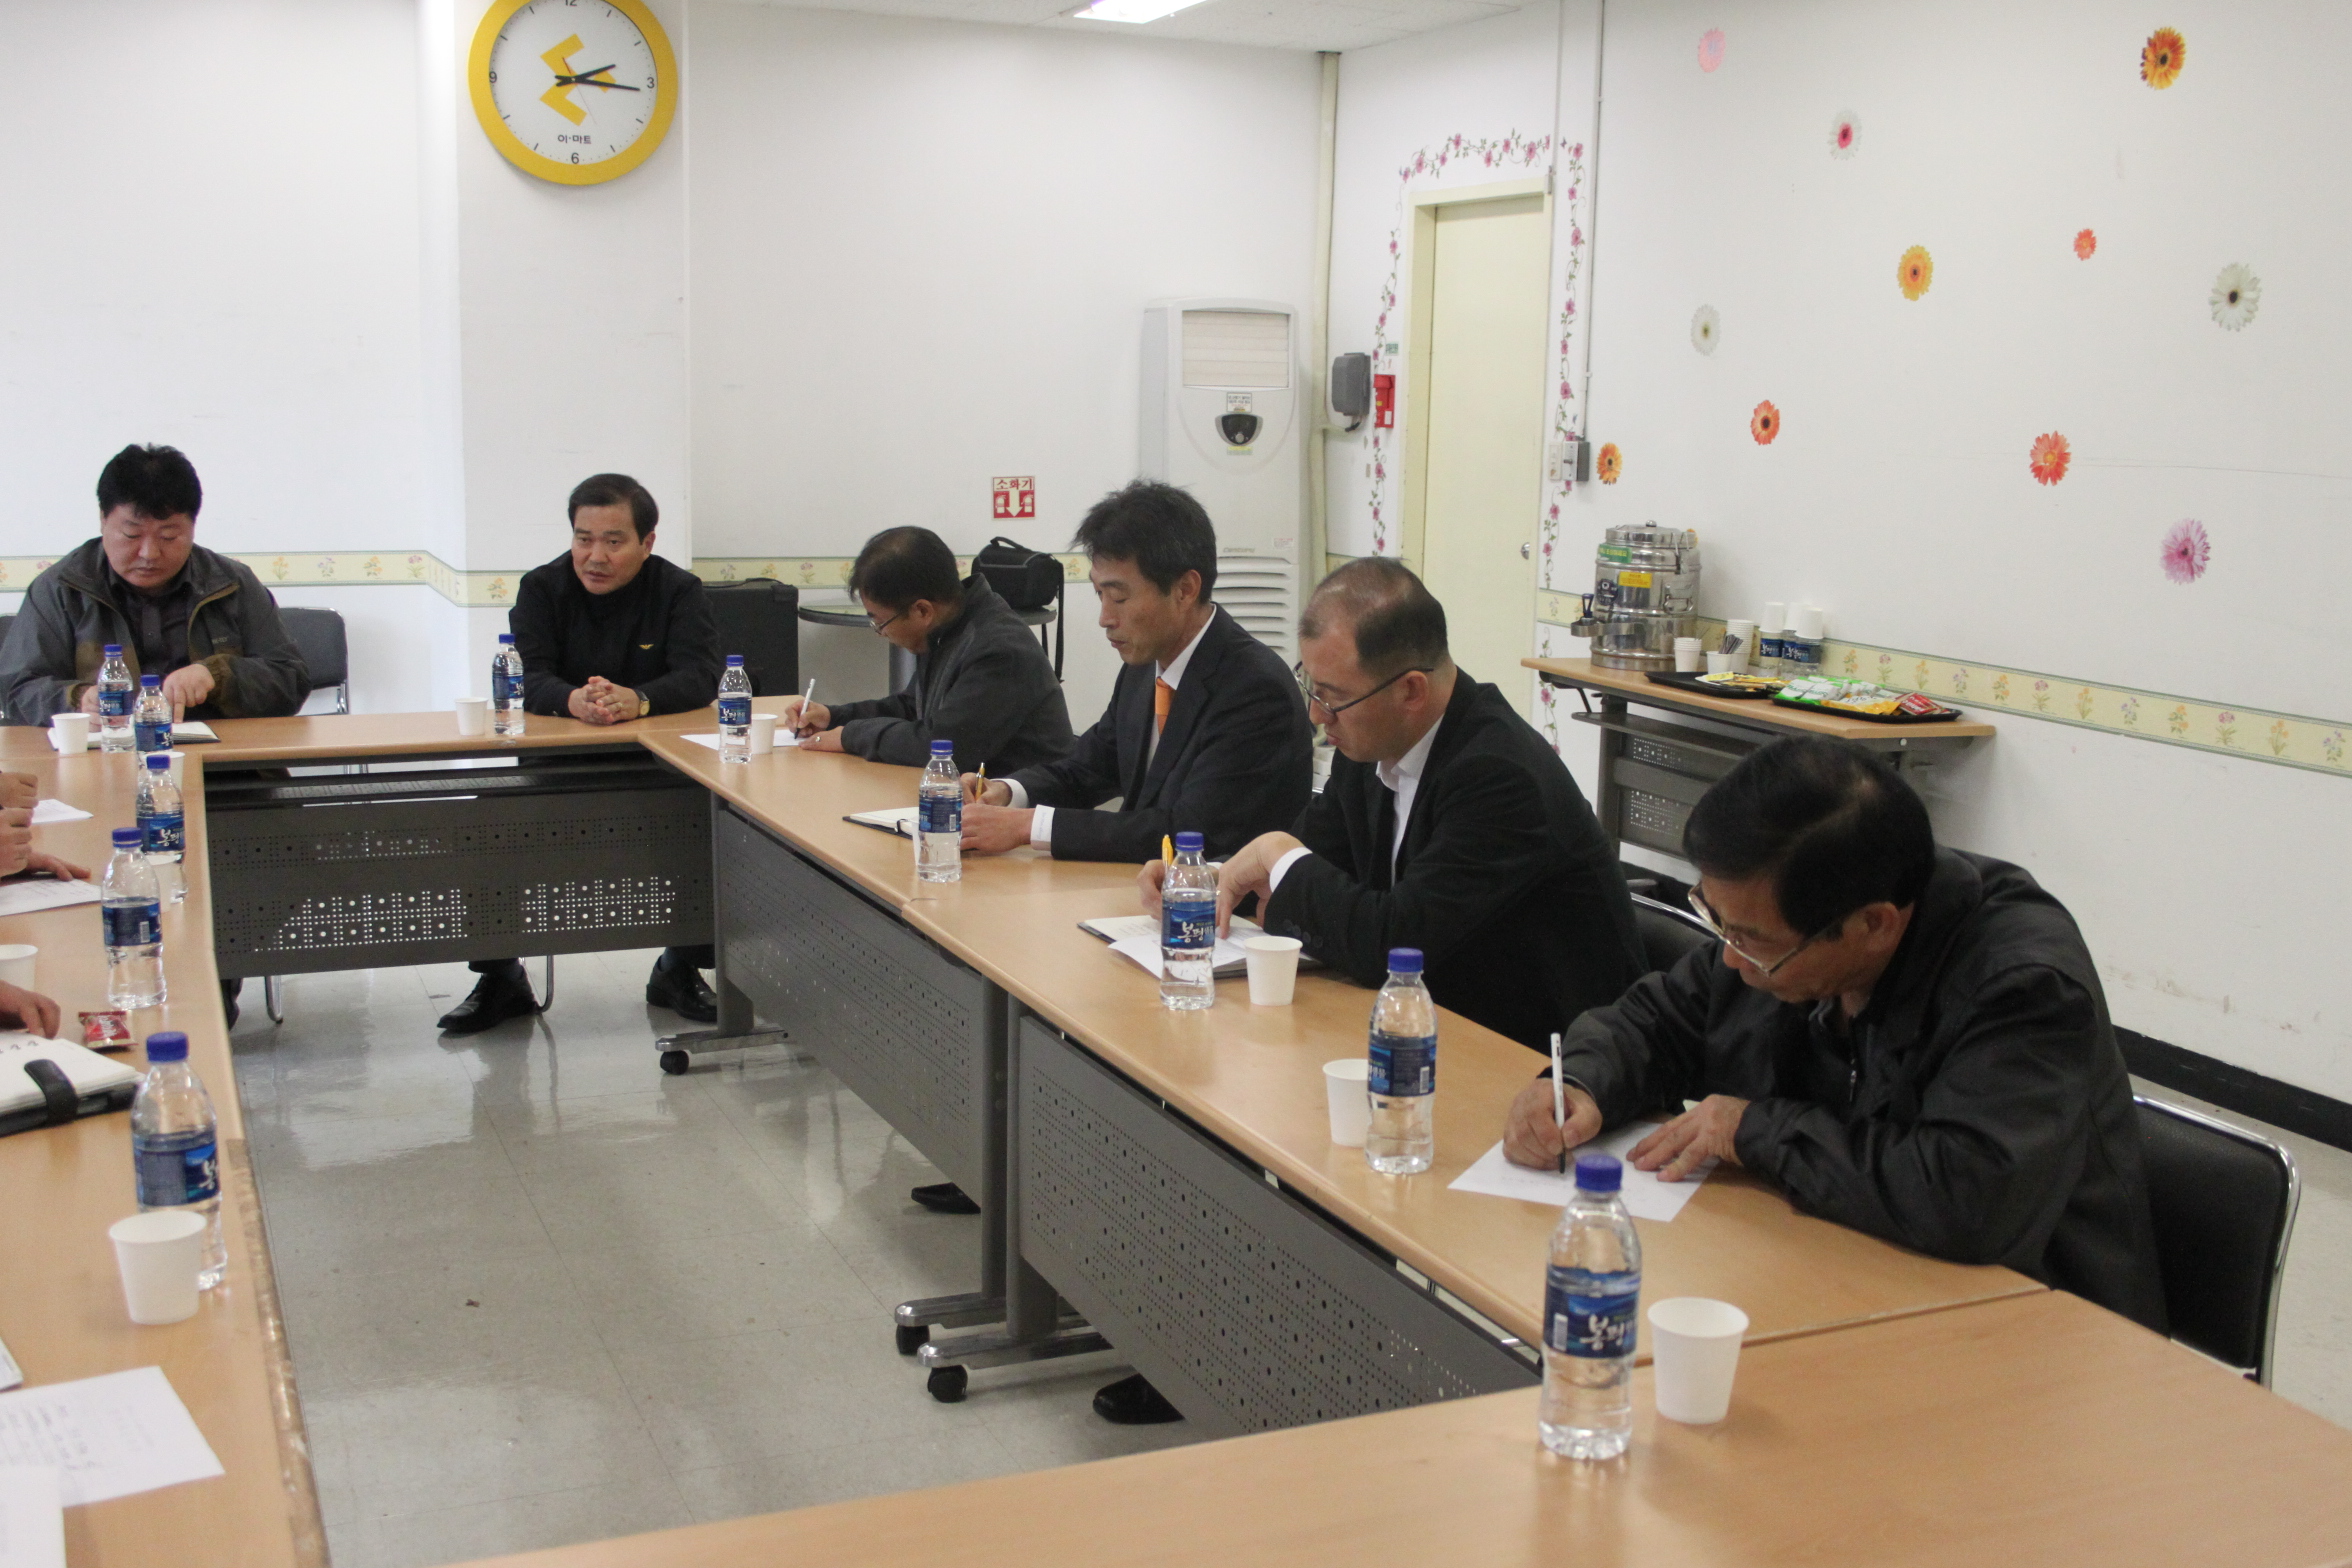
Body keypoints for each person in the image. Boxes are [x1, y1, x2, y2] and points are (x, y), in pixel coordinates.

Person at [1502, 736, 2167, 1332]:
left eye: (1750, 939)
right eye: (1717, 922)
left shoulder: (2021, 985)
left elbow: (1968, 1196)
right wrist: (1580, 1081)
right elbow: (1662, 1019)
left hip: (2037, 1325)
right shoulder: (1782, 924)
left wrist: (1752, 1130)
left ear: (1874, 925)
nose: (1730, 958)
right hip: (1843, 1270)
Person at [1166, 558, 1644, 1052]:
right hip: (1423, 1028)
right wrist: (1207, 884)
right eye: (1311, 686)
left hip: (1537, 1058)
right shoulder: (1368, 740)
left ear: (1411, 690)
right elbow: (1315, 876)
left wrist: (1277, 855)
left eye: (1332, 697)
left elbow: (1392, 945)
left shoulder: (1499, 777)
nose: (1316, 715)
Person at [434, 474, 725, 1036]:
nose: (595, 556)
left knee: (704, 815)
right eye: (582, 539)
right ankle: (500, 976)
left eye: (614, 541)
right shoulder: (542, 588)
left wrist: (637, 699)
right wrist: (572, 700)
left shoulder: (678, 591)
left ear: (647, 542)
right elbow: (525, 674)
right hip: (557, 766)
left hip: (654, 764)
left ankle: (680, 966)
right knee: (486, 820)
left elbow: (700, 674)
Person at [959, 481, 1312, 864]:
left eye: (1120, 597)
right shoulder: (1144, 668)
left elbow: (1189, 832)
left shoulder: (1255, 689)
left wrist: (1028, 827)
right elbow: (1087, 768)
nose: (1105, 618)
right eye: (1099, 595)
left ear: (1185, 589)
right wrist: (1007, 792)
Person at [2, 444, 311, 726]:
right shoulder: (61, 589)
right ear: (103, 520)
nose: (149, 553)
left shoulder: (232, 583)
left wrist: (217, 676)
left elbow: (291, 679)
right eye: (131, 535)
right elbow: (16, 689)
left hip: (219, 756)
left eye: (168, 536)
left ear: (193, 527)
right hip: (103, 755)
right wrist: (79, 699)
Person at [786, 526, 1073, 774]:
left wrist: (850, 736)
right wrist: (833, 717)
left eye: (881, 623)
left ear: (922, 611)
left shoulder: (998, 649)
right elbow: (912, 707)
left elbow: (943, 746)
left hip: (1021, 808)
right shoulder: (947, 626)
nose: (882, 633)